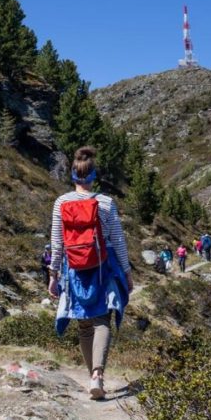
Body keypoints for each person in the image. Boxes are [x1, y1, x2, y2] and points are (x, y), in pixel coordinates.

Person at [49, 146, 133, 400]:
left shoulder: (61, 203)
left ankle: (92, 378)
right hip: (102, 265)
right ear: (94, 176)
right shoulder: (106, 202)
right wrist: (127, 273)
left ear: (73, 176)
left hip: (74, 268)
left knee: (84, 324)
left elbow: (57, 242)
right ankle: (98, 375)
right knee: (102, 320)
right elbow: (118, 240)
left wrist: (53, 275)